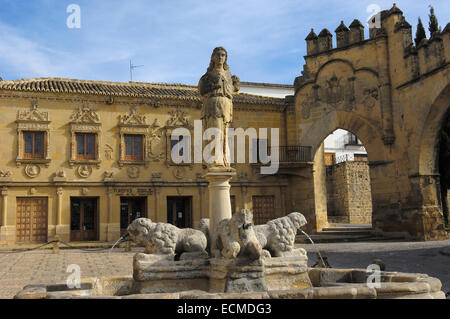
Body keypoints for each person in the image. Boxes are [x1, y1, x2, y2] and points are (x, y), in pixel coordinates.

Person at [198, 47, 240, 168]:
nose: (220, 57)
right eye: (218, 55)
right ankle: (216, 160)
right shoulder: (208, 75)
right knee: (215, 132)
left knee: (225, 134)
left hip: (226, 105)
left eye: (223, 55)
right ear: (213, 57)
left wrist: (234, 86)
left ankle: (224, 159)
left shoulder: (228, 75)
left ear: (225, 58)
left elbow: (229, 90)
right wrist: (214, 85)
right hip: (213, 104)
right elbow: (201, 89)